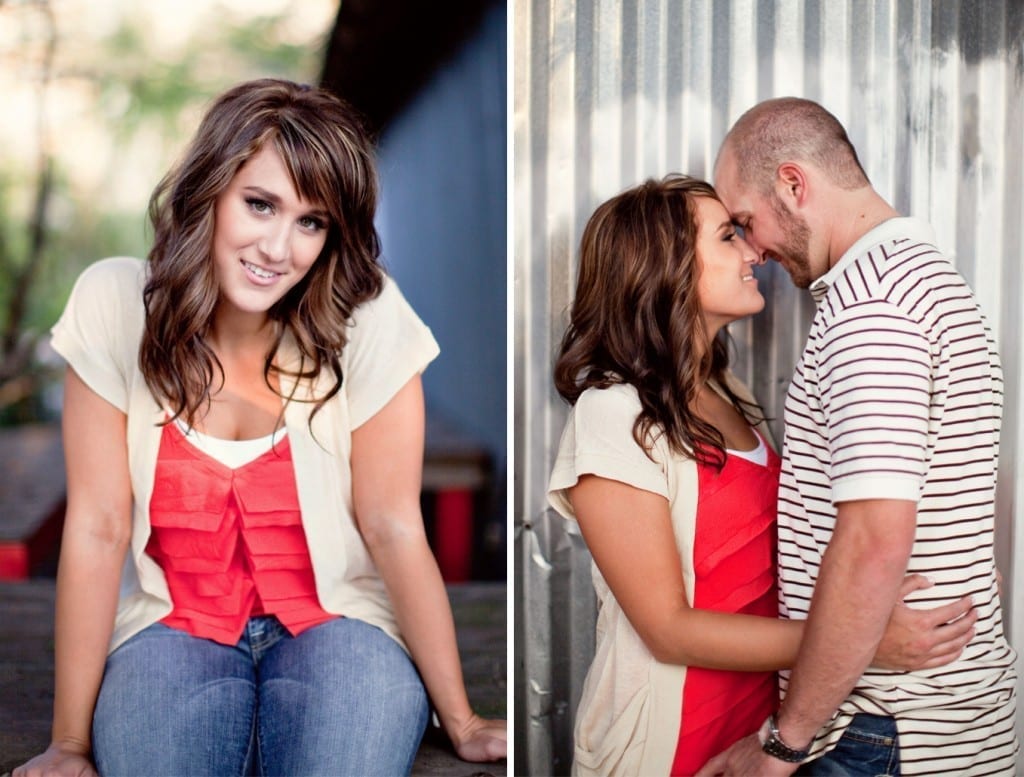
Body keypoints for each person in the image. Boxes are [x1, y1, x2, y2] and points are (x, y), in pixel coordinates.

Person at [13, 78, 506, 777]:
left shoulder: (365, 317)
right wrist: (69, 742)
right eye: (260, 204)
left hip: (341, 630)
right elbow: (97, 527)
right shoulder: (115, 304)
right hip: (170, 628)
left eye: (312, 222)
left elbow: (393, 523)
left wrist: (461, 718)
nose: (279, 246)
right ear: (208, 190)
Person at [546, 174, 979, 777]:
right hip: (672, 735)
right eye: (729, 236)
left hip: (763, 723)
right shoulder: (613, 412)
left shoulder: (730, 393)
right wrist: (861, 643)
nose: (755, 252)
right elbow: (667, 630)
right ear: (662, 266)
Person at [699, 97, 1018, 776]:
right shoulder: (930, 281)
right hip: (940, 722)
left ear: (794, 183)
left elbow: (874, 538)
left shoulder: (872, 310)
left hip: (885, 731)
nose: (753, 248)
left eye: (747, 223)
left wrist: (784, 744)